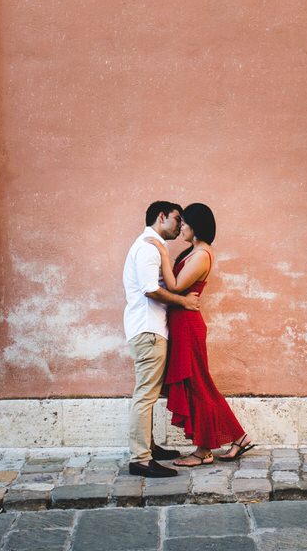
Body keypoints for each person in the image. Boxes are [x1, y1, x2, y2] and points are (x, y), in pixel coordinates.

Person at [147, 202, 254, 466]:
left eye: (184, 223)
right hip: (181, 323)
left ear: (195, 227)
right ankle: (231, 440)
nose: (180, 227)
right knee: (197, 384)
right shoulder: (192, 251)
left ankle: (207, 449)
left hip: (188, 325)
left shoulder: (202, 254)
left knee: (198, 384)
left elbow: (175, 286)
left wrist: (161, 253)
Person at [122, 201, 202, 478]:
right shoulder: (148, 246)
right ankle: (140, 459)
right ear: (161, 216)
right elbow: (150, 289)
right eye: (177, 219)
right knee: (145, 395)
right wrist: (183, 301)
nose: (181, 225)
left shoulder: (153, 246)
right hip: (148, 330)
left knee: (150, 393)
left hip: (150, 329)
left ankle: (150, 448)